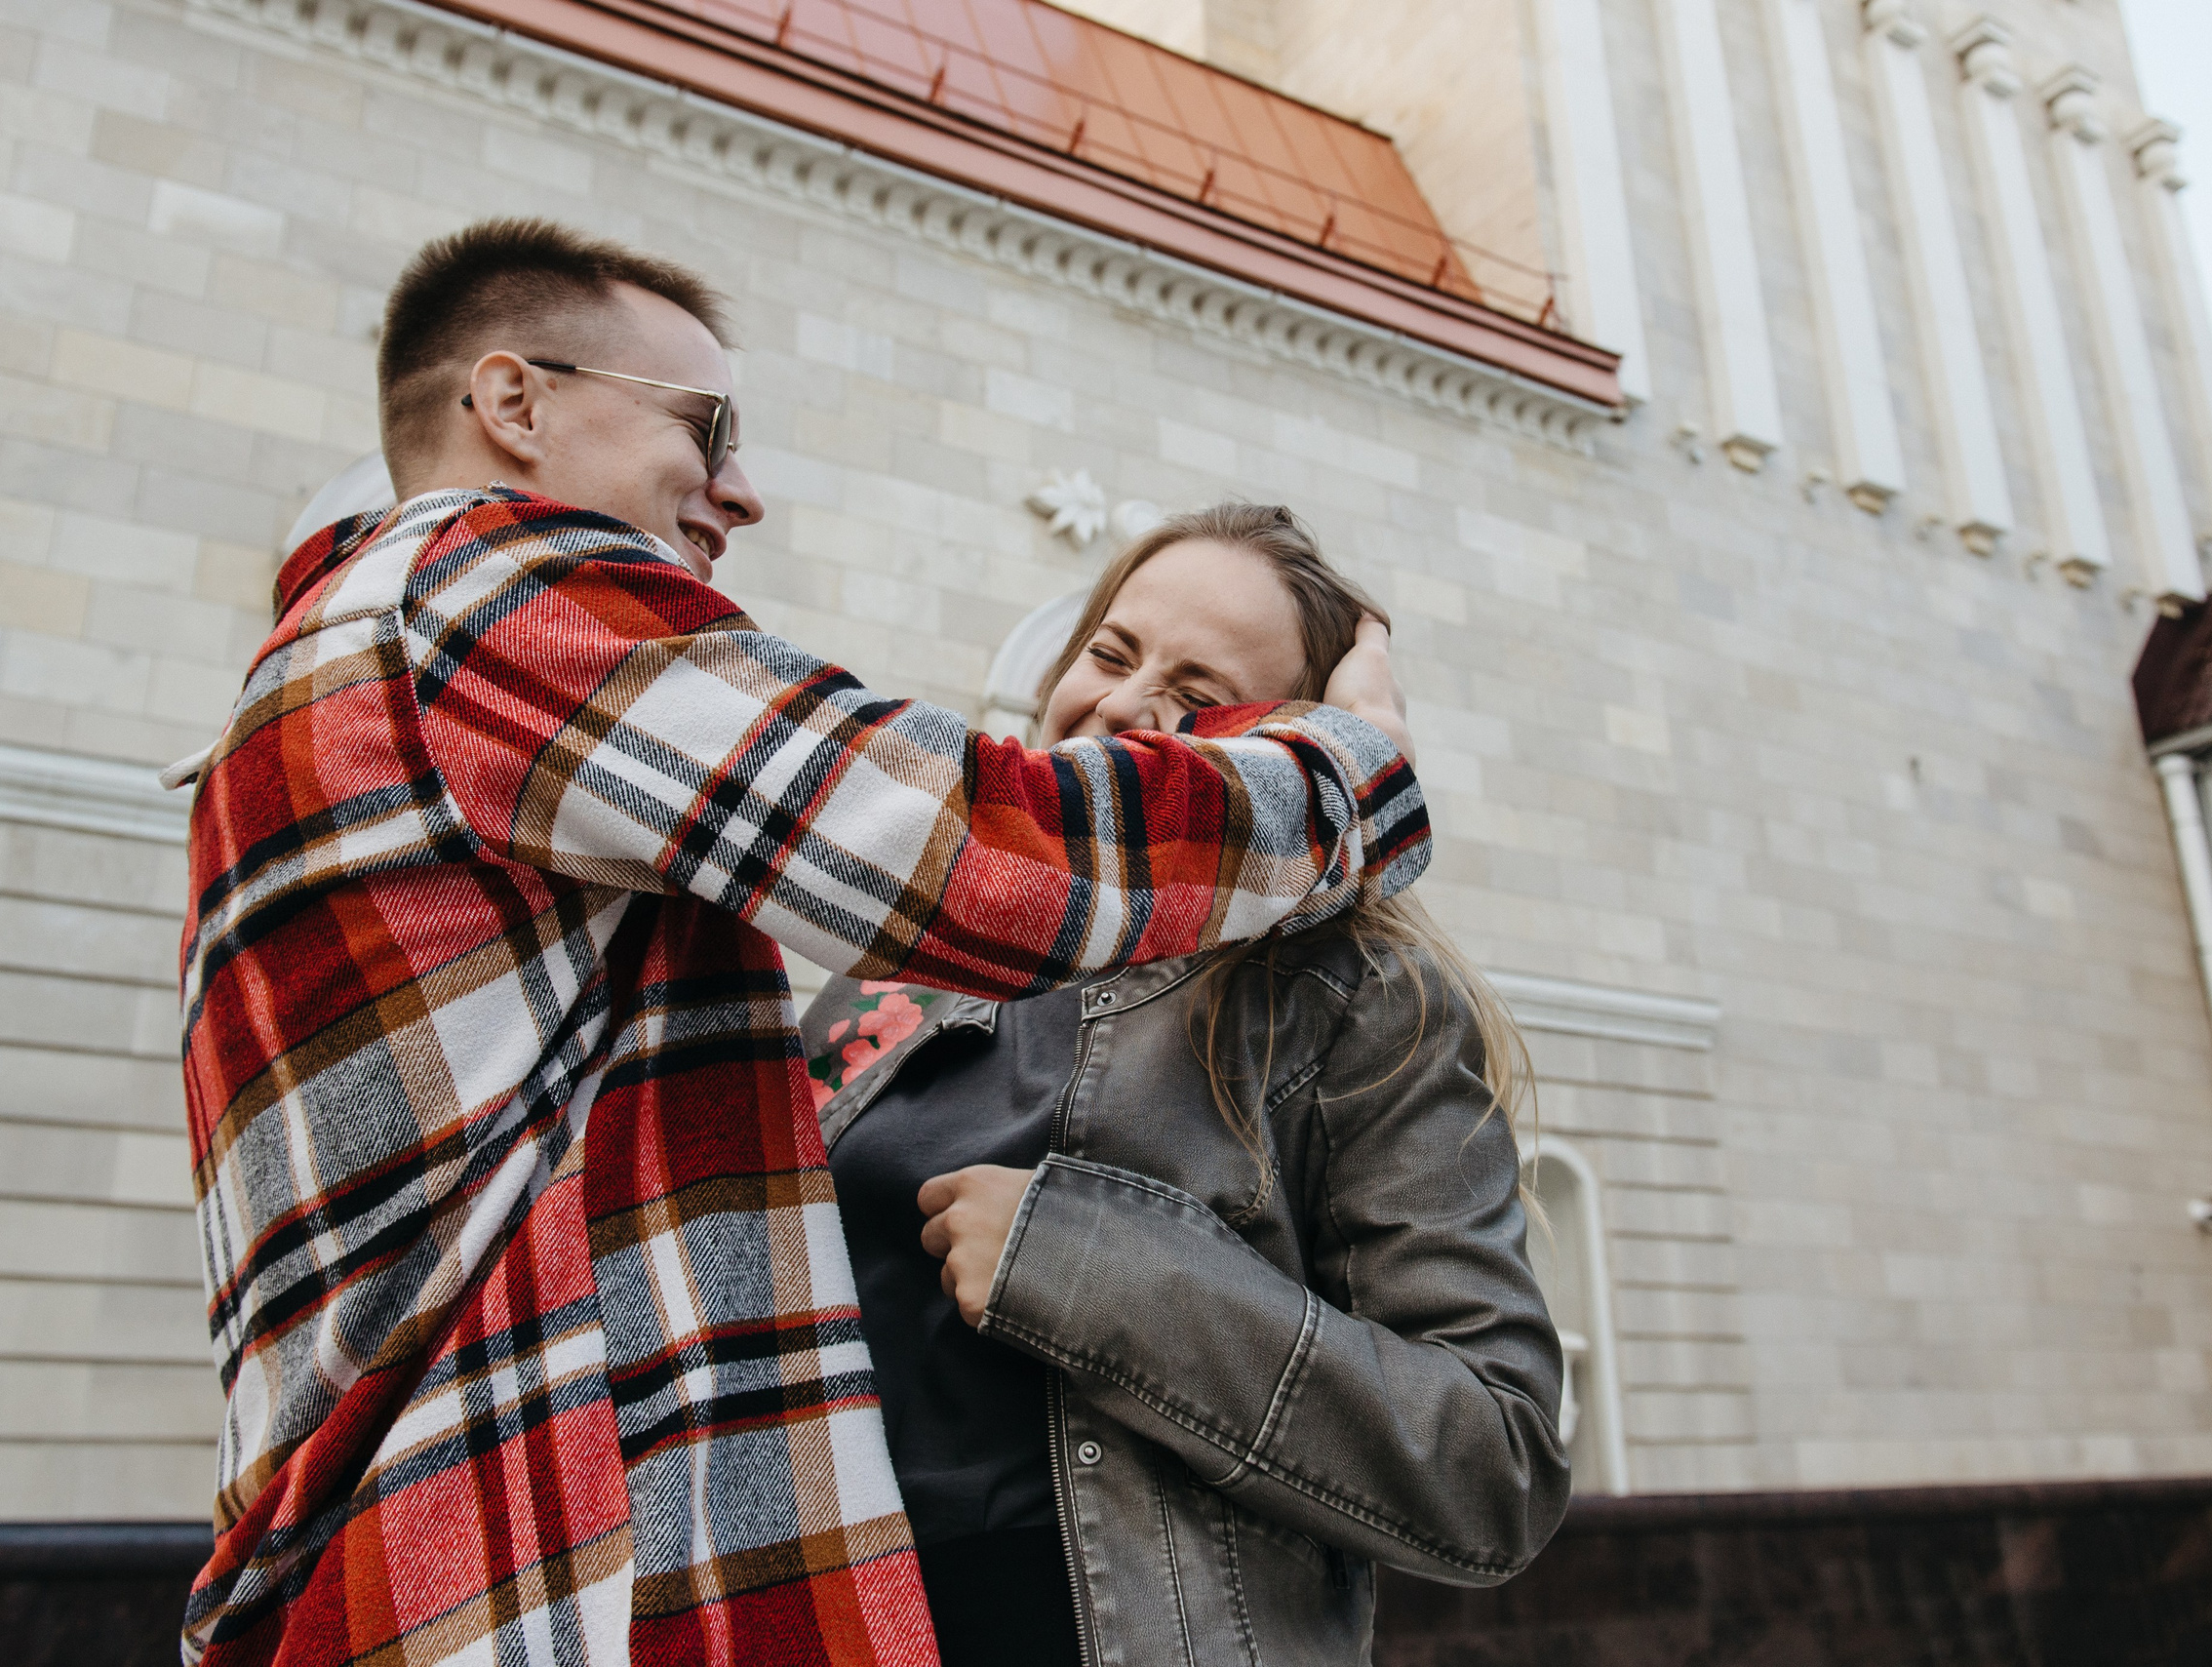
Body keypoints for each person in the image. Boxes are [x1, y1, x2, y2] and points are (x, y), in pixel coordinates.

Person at [171, 220, 1431, 1667]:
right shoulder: (483, 588)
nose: (743, 492)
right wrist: (1352, 768)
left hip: (408, 1558)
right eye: (704, 430)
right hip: (526, 1565)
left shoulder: (308, 673)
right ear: (513, 402)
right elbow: (967, 850)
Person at [803, 505, 1568, 1667]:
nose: (1120, 703)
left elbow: (1493, 1465)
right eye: (1110, 652)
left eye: (1196, 692)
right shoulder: (907, 956)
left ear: (1294, 756)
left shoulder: (1354, 997)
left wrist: (1094, 1272)